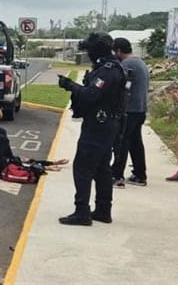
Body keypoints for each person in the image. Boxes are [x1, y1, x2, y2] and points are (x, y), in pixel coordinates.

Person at [57, 31, 126, 226]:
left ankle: (82, 212)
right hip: (104, 124)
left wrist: (70, 85)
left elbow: (90, 95)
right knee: (102, 168)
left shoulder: (108, 70)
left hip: (99, 125)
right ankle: (103, 210)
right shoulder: (110, 67)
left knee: (83, 167)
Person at [111, 37, 150, 187]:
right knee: (136, 142)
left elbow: (121, 87)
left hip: (129, 110)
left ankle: (117, 176)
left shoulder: (126, 65)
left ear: (119, 50)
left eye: (115, 52)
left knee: (121, 142)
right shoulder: (141, 63)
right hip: (140, 109)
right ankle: (140, 175)